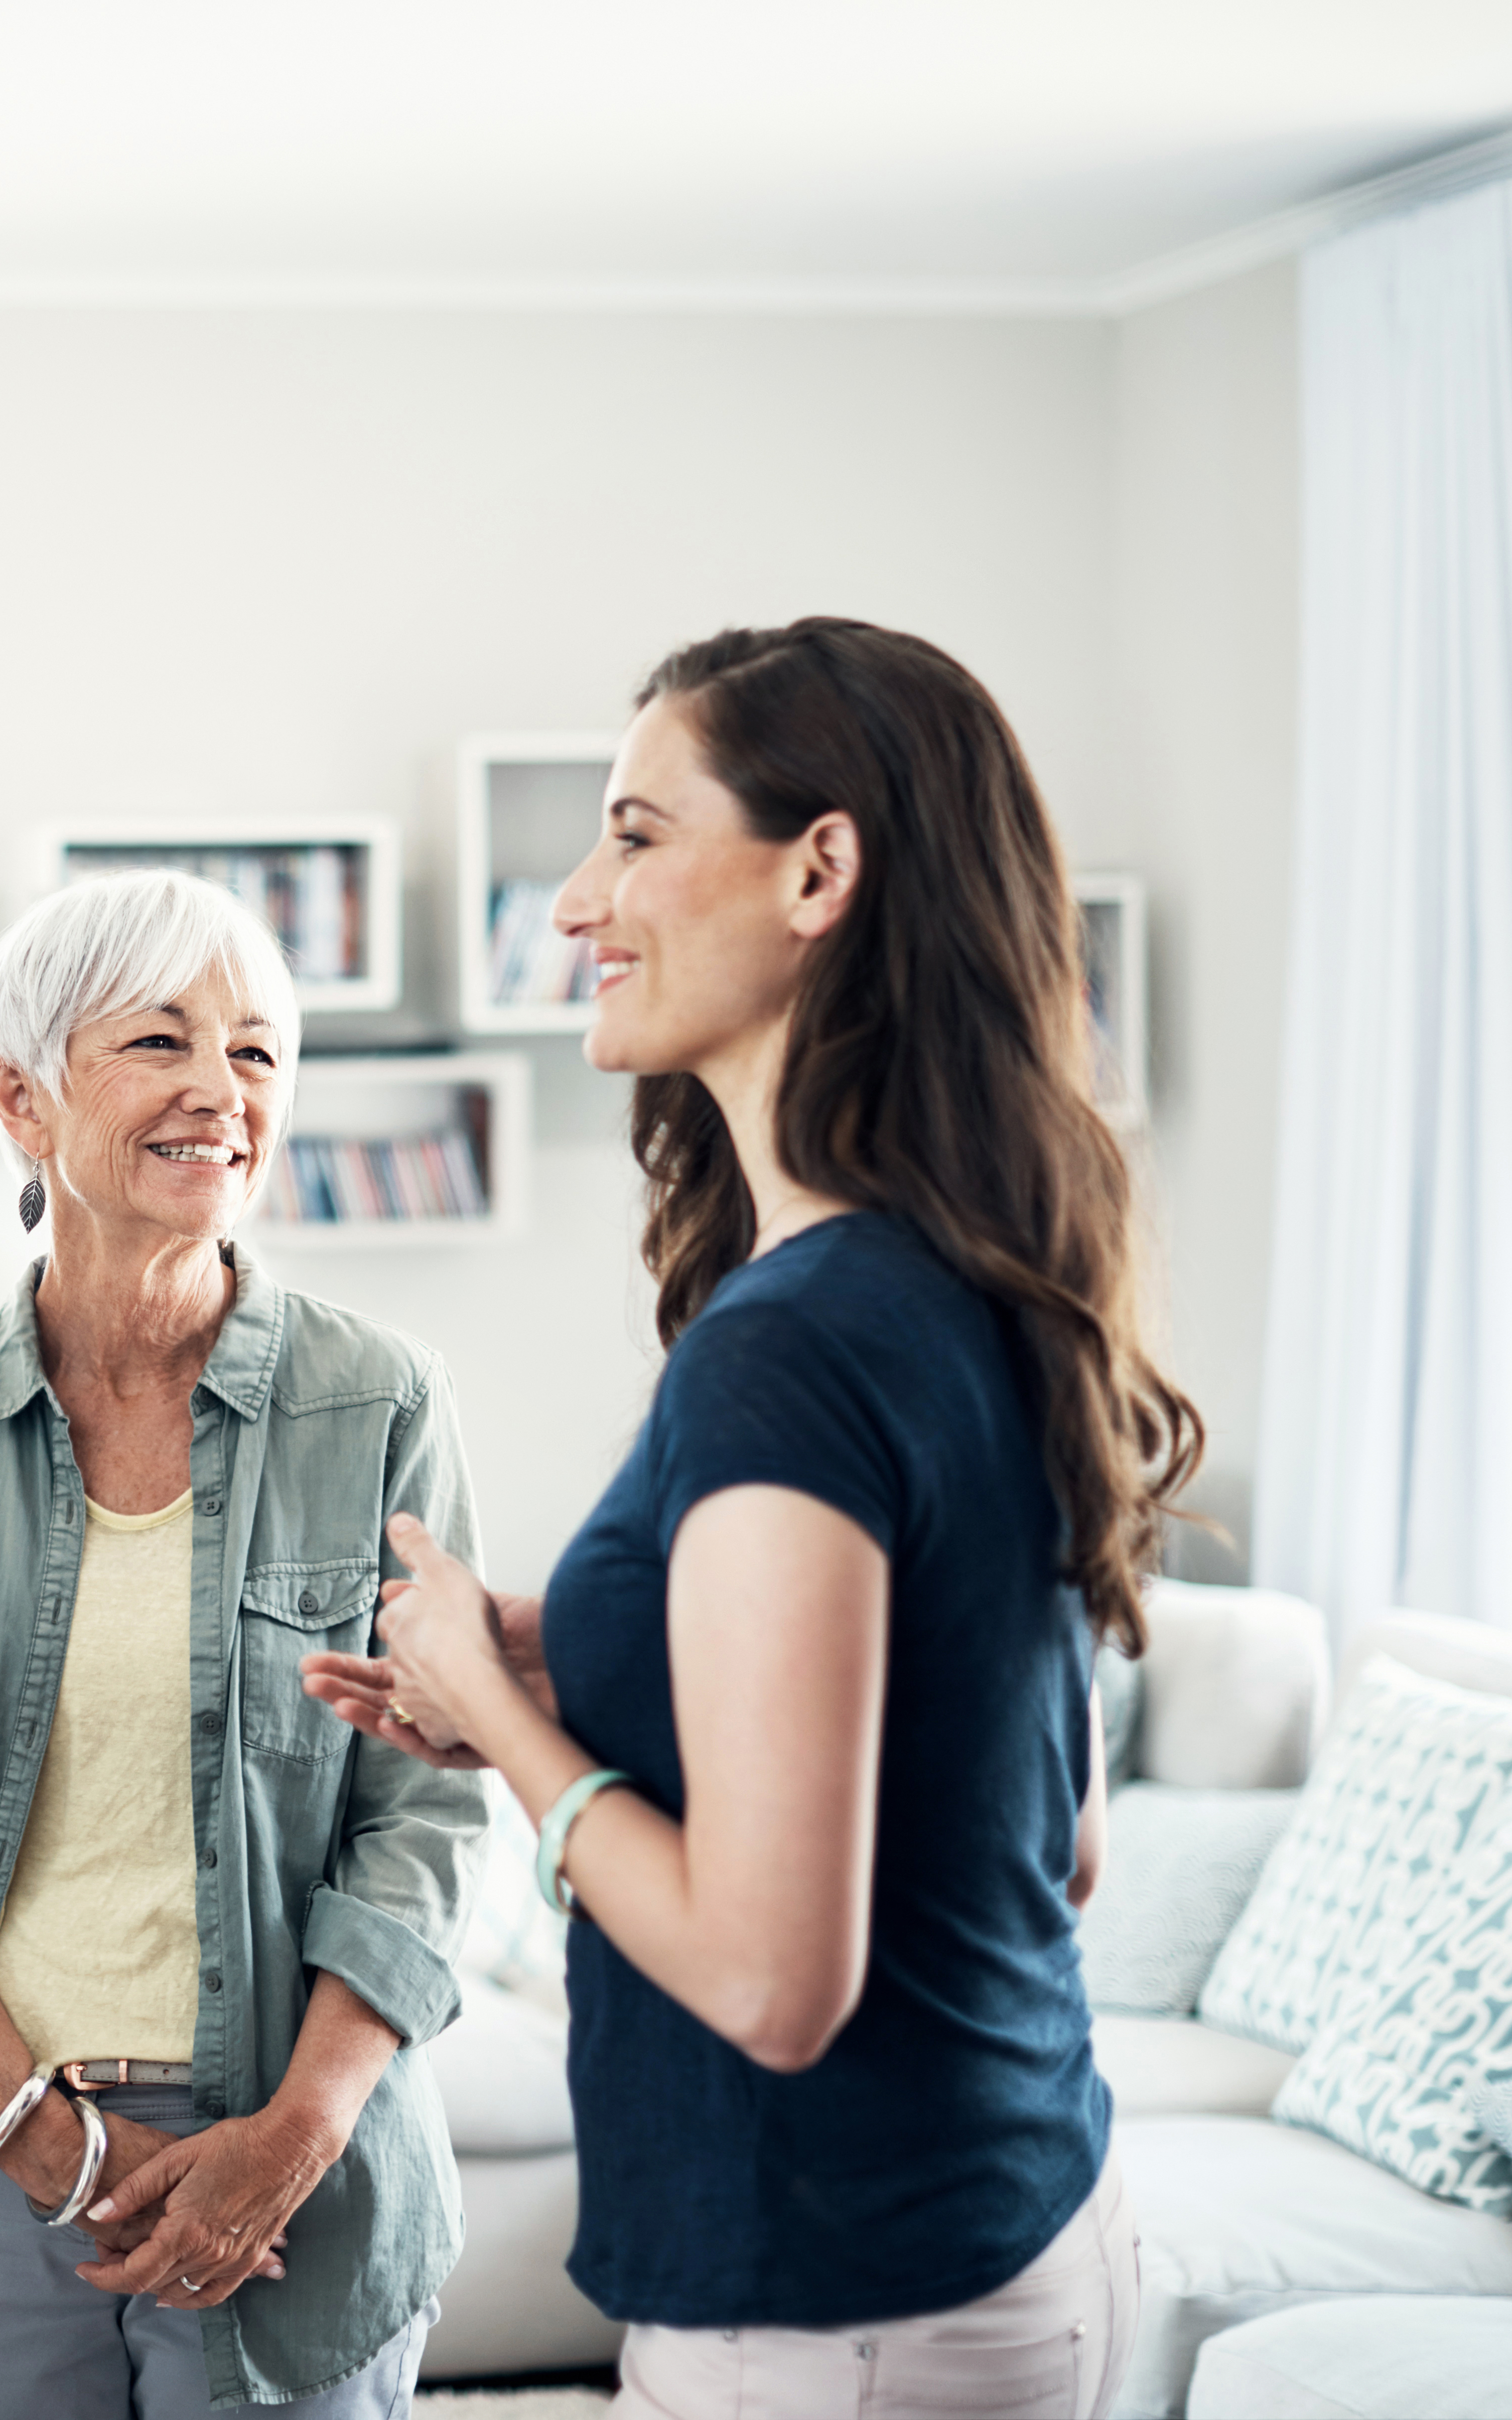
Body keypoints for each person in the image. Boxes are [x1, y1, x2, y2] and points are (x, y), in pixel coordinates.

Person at [307, 619, 1202, 2420]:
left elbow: (773, 1983)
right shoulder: (983, 1285)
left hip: (842, 2314)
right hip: (1023, 2228)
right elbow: (1049, 1831)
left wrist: (502, 1723)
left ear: (820, 868)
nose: (572, 901)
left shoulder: (786, 1350)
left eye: (634, 833)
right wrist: (561, 1651)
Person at [0, 869, 489, 2418]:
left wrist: (294, 2137)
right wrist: (50, 2144)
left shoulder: (381, 1405)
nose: (219, 1092)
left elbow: (424, 1814)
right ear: (20, 1099)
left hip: (297, 2145)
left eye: (255, 1052)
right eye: (159, 1041)